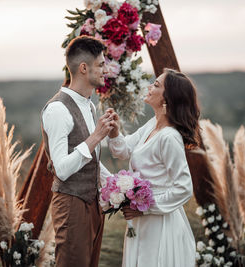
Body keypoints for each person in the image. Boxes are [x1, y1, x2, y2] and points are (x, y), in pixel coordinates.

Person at [107, 69, 199, 267]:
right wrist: (115, 132)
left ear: (167, 98)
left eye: (156, 85)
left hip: (160, 223)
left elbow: (184, 188)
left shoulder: (169, 137)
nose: (149, 86)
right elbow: (123, 150)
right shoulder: (151, 125)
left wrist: (146, 208)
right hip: (140, 219)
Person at [41, 36, 115, 267]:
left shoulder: (89, 105)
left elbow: (90, 160)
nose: (106, 70)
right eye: (101, 64)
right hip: (71, 206)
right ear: (84, 68)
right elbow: (61, 169)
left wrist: (120, 187)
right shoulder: (57, 109)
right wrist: (95, 137)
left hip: (93, 204)